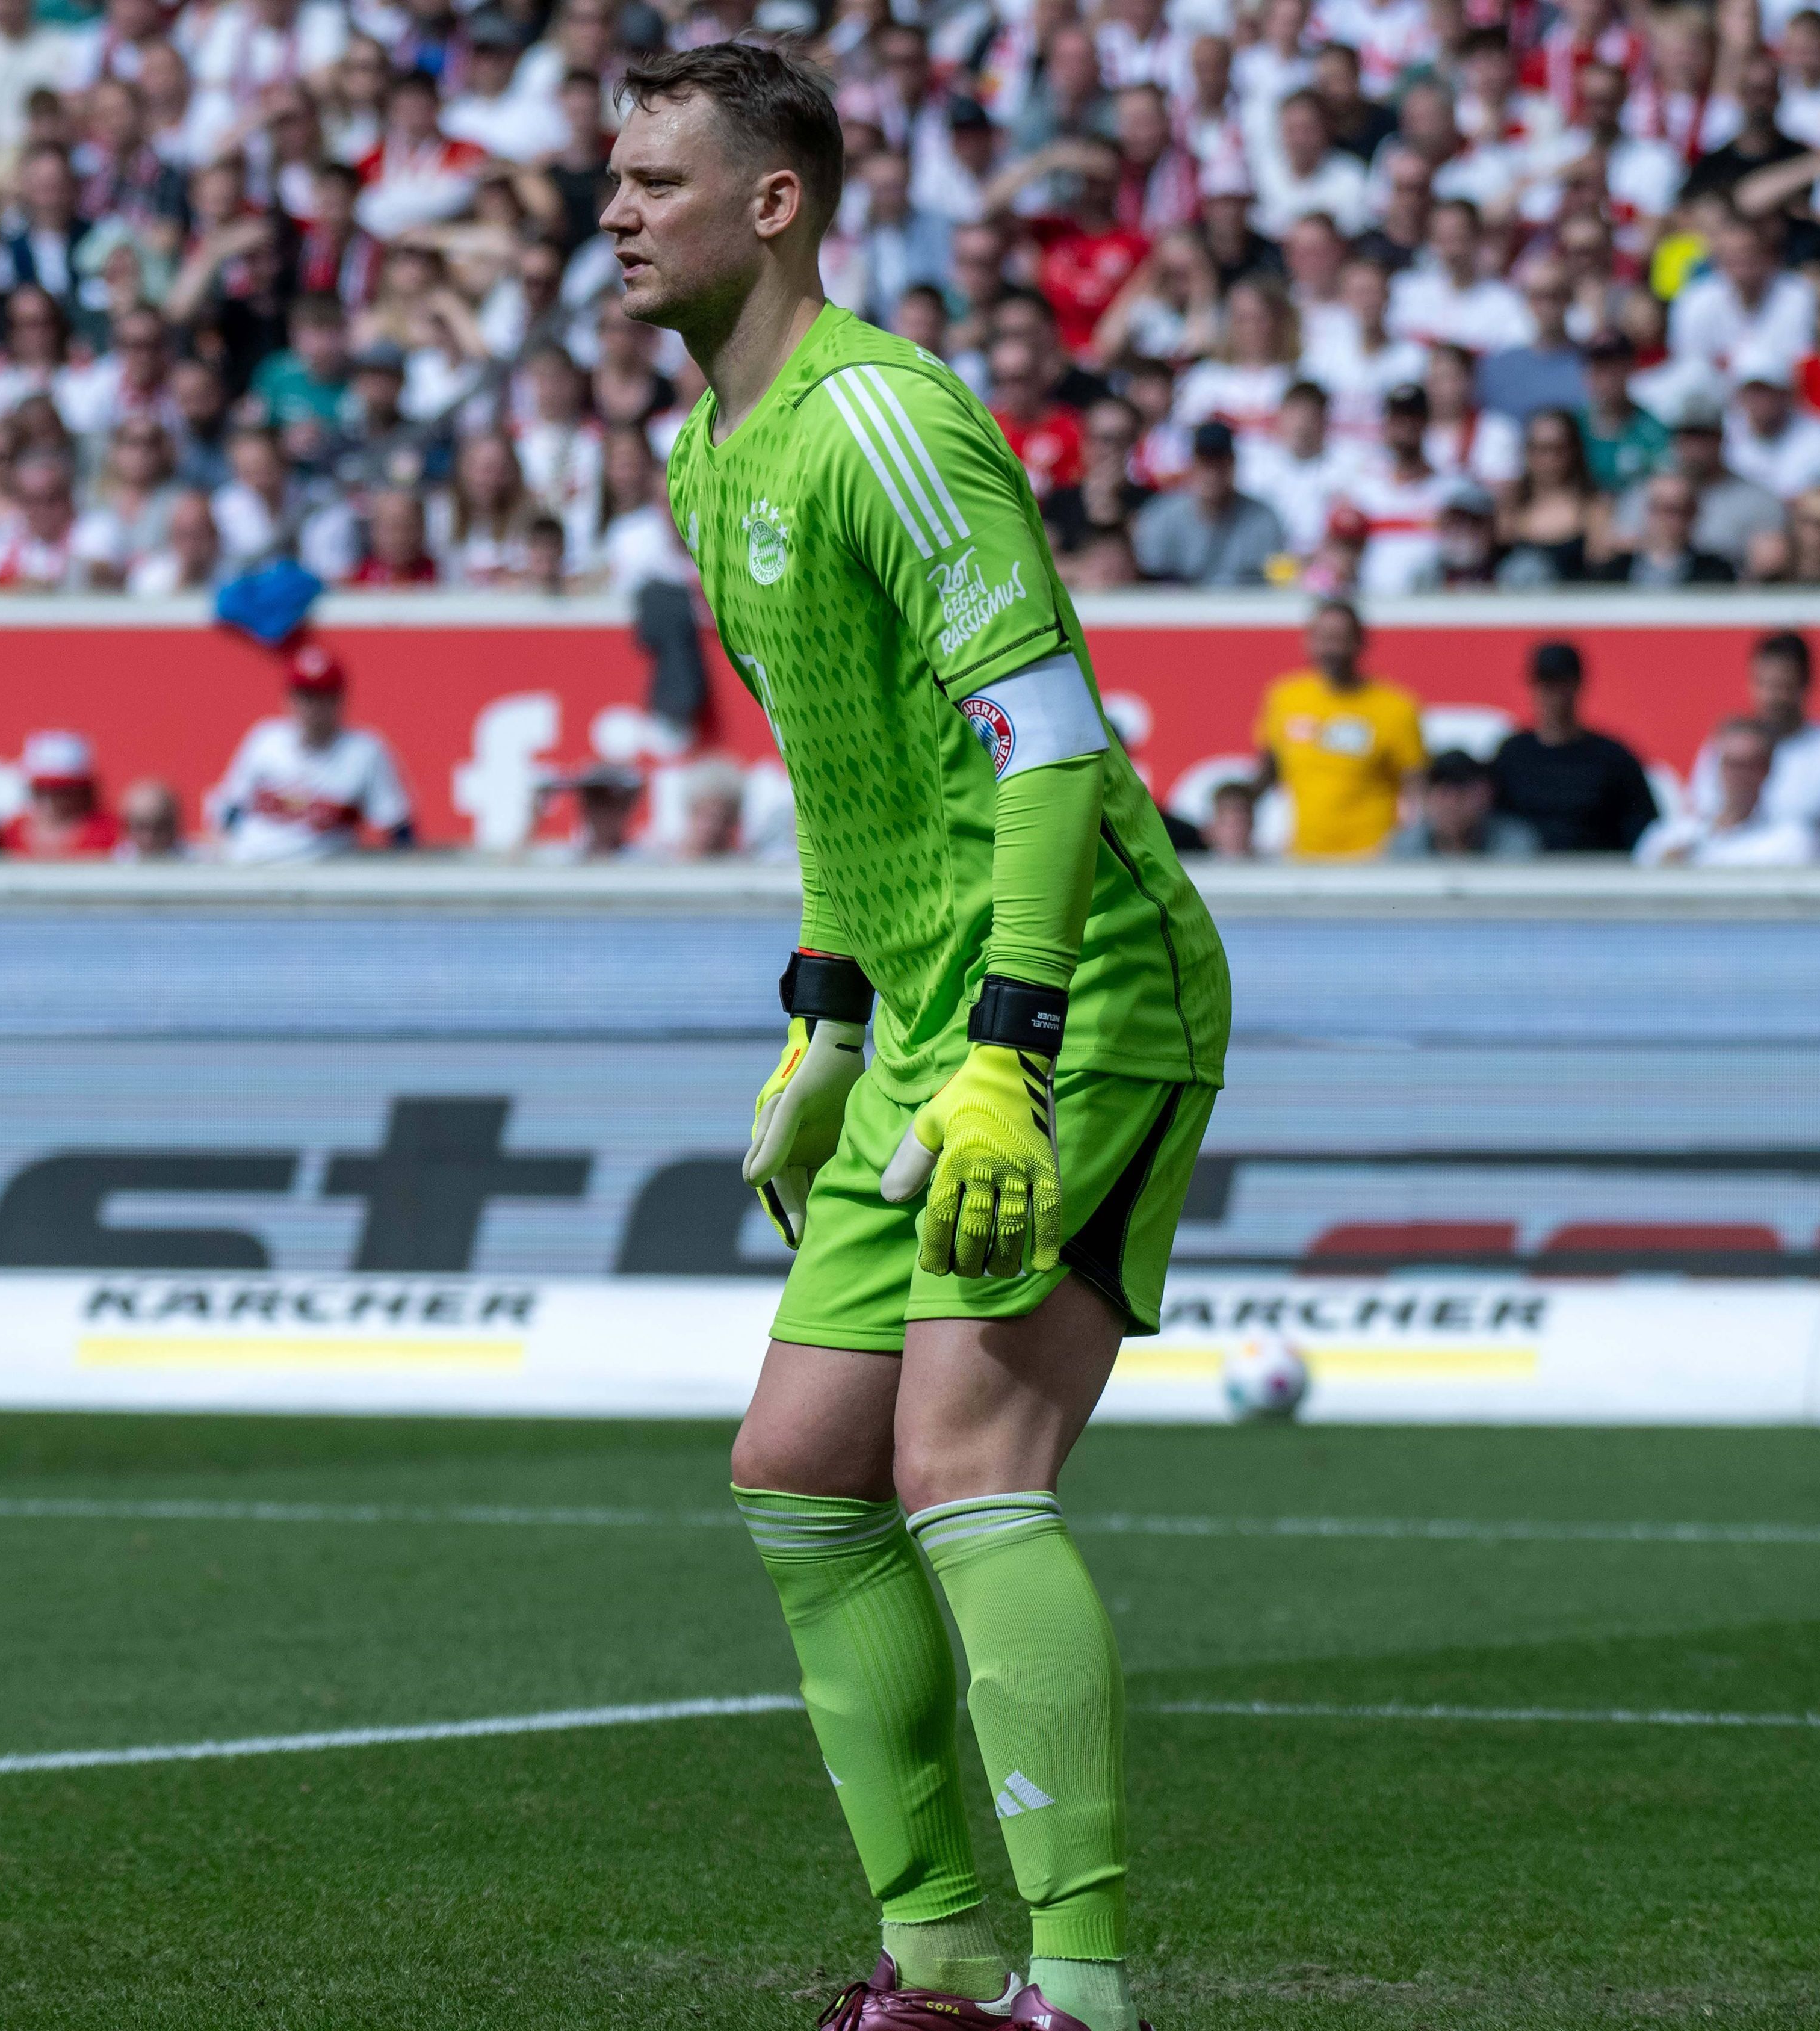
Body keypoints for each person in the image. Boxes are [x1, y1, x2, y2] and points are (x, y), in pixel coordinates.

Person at [605, 45, 1231, 2031]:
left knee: (963, 1458)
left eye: (655, 180)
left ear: (772, 201)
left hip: (1080, 973)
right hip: (925, 1001)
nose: (615, 214)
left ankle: (1084, 1986)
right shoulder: (705, 452)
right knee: (801, 1466)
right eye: (611, 180)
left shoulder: (881, 418)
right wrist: (825, 1010)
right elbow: (846, 762)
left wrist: (1012, 1042)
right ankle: (943, 1961)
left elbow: (1045, 740)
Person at [206, 643, 415, 861]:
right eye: (305, 695)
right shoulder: (265, 739)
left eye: (322, 696)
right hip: (253, 869)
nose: (312, 707)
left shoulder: (364, 752)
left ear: (339, 700)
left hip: (324, 880)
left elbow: (398, 829)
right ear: (289, 698)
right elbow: (230, 810)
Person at [1253, 596, 1426, 858]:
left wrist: (1410, 850)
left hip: (1374, 857)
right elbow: (1269, 771)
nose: (1331, 650)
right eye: (1323, 638)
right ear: (1308, 641)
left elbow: (1416, 789)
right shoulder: (1285, 697)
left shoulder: (1395, 706)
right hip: (1303, 856)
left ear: (1360, 643)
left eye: (1340, 639)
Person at [1691, 632, 1820, 861]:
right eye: (1763, 684)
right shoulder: (1728, 747)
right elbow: (1705, 827)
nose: (1772, 697)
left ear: (1806, 683)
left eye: (1783, 686)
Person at [1487, 638, 1656, 852]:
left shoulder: (1613, 758)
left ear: (1578, 685)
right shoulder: (1512, 755)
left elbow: (1646, 832)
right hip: (1524, 877)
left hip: (1597, 876)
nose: (1552, 694)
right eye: (1544, 683)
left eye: (1560, 683)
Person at [1634, 717, 1820, 865]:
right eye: (1731, 764)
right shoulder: (1667, 837)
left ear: (1767, 769)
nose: (1739, 776)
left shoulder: (1790, 842)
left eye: (1750, 765)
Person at [1128, 419, 1286, 585]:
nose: (1212, 473)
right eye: (1205, 463)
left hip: (1243, 609)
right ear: (1191, 465)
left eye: (1220, 463)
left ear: (1233, 464)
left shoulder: (1263, 519)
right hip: (1178, 609)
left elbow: (1274, 586)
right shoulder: (1161, 517)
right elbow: (1148, 586)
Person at [1388, 750, 1540, 856]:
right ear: (1427, 798)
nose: (1452, 803)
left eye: (1462, 793)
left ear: (1486, 795)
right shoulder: (1406, 846)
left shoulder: (1514, 842)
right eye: (1444, 793)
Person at [2, 730, 120, 858]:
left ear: (83, 791)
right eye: (41, 788)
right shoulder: (11, 833)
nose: (50, 798)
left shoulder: (110, 832)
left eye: (61, 789)